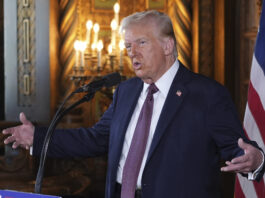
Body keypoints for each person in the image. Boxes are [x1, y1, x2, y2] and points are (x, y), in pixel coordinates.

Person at [2, 10, 265, 198]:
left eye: (141, 43)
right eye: (128, 45)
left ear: (167, 46)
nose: (132, 53)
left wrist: (254, 159)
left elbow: (237, 148)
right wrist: (38, 138)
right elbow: (95, 138)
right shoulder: (125, 91)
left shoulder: (207, 93)